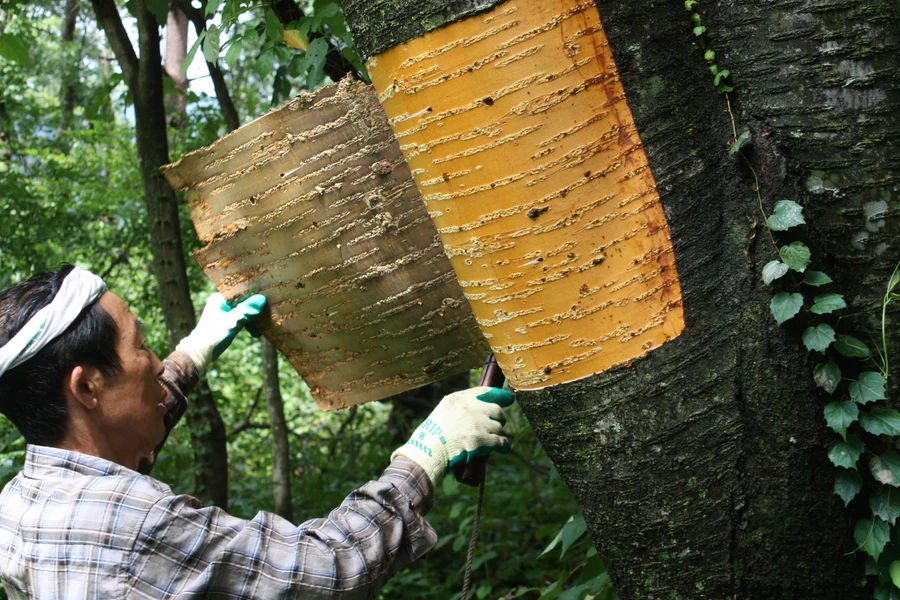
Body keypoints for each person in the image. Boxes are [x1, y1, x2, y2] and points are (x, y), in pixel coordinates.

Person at [0, 265, 514, 598]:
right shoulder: (138, 529)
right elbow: (328, 569)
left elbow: (112, 449)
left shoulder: (19, 504)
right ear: (87, 387)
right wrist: (422, 457)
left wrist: (193, 354)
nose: (156, 363)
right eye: (140, 348)